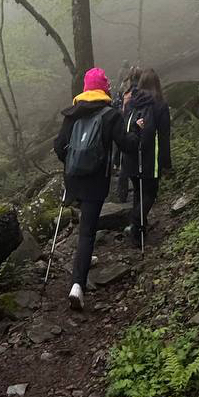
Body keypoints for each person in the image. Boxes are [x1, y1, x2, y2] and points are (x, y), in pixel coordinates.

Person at [53, 66, 139, 311]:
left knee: (85, 227)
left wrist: (72, 164)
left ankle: (84, 257)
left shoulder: (72, 114)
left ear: (85, 88)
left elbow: (59, 147)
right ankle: (77, 285)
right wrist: (137, 130)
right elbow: (127, 145)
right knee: (87, 232)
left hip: (73, 180)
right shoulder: (110, 114)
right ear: (104, 88)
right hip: (95, 182)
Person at [120, 67, 172, 249]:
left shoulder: (131, 102)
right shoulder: (160, 105)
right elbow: (164, 136)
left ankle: (138, 233)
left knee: (138, 192)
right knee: (150, 193)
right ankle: (136, 220)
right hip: (150, 158)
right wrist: (166, 163)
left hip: (130, 156)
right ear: (157, 84)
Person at [115, 64, 141, 202]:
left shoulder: (124, 88)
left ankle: (122, 192)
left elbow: (118, 103)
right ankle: (133, 190)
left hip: (123, 123)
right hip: (133, 125)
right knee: (130, 159)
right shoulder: (138, 90)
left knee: (123, 159)